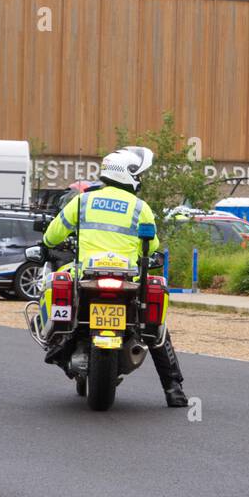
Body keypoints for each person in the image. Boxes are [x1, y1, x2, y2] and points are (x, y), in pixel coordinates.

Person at [42, 146, 188, 408]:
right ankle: (173, 389)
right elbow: (152, 246)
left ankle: (56, 341)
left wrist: (51, 244)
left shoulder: (82, 200)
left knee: (56, 283)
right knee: (155, 329)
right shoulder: (140, 208)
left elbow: (52, 236)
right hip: (128, 278)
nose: (140, 179)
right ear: (127, 174)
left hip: (86, 273)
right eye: (138, 174)